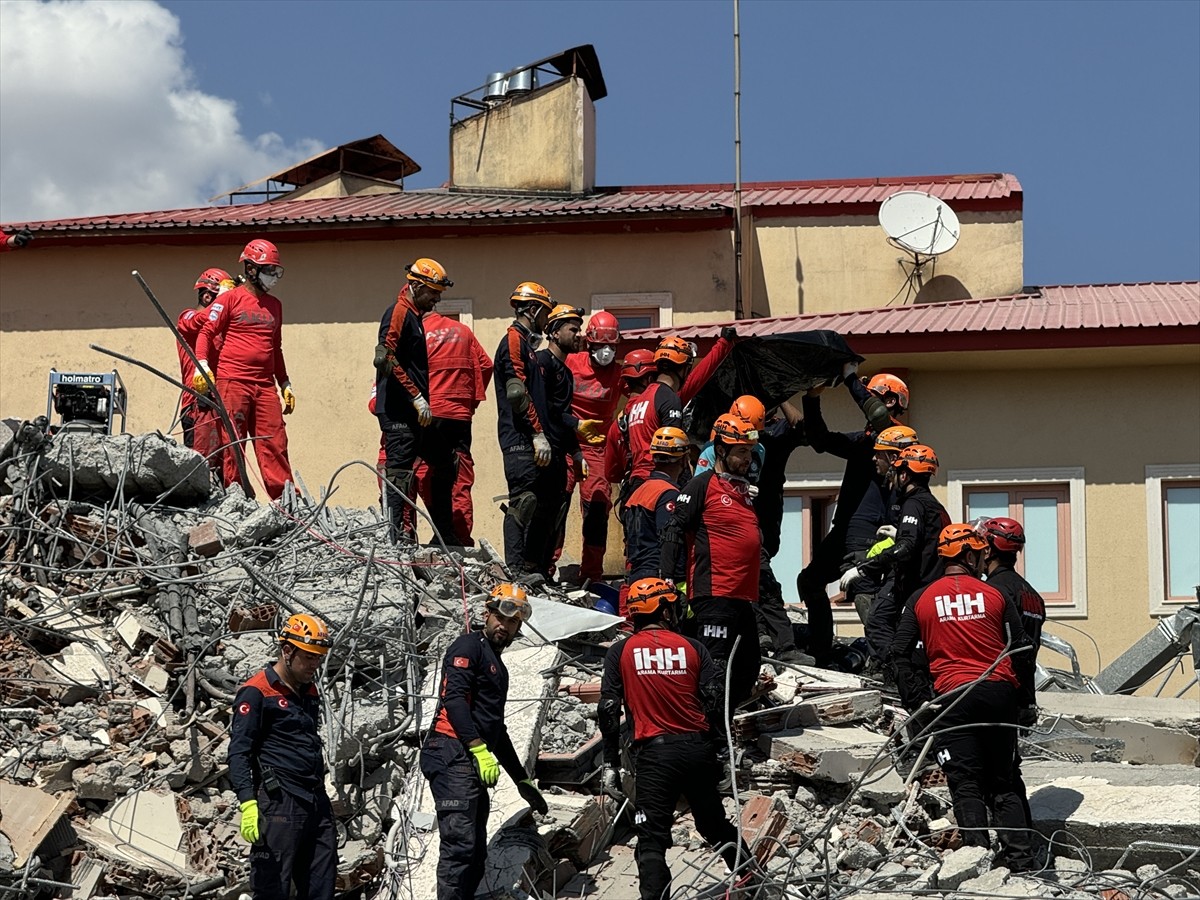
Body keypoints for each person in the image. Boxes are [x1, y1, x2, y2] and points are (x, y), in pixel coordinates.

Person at [891, 524, 1037, 870]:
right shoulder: (995, 595)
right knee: (1004, 779)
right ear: (970, 555)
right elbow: (1021, 651)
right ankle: (1023, 860)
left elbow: (899, 653)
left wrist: (918, 703)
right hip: (997, 692)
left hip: (952, 698)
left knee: (965, 780)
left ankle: (977, 860)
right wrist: (1023, 703)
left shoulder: (921, 598)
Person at [598, 578, 755, 900]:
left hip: (655, 757)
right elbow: (715, 704)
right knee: (713, 825)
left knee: (652, 838)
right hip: (698, 751)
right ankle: (755, 881)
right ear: (665, 609)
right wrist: (722, 753)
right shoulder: (694, 647)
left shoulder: (621, 651)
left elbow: (609, 710)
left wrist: (611, 763)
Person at [421, 585, 549, 900]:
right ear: (486, 614)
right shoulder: (468, 647)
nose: (505, 627)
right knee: (461, 846)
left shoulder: (496, 665)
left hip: (467, 757)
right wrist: (478, 749)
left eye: (514, 622)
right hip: (450, 751)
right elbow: (454, 701)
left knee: (476, 851)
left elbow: (495, 728)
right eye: (501, 618)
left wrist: (521, 778)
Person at [797, 371, 910, 665]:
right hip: (845, 529)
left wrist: (849, 379)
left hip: (868, 531)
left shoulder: (897, 440)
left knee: (863, 588)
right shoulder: (865, 441)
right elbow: (820, 440)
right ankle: (821, 651)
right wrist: (812, 397)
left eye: (872, 395)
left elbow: (878, 415)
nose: (866, 402)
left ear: (889, 401)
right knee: (809, 581)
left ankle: (887, 661)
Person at [229, 614, 337, 899]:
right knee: (272, 887)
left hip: (315, 799)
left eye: (319, 658)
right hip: (279, 802)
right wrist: (248, 804)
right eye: (309, 657)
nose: (315, 665)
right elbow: (239, 751)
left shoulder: (308, 691)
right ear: (287, 651)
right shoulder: (256, 693)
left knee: (321, 885)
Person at [660, 413, 762, 714]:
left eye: (749, 452)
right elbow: (674, 528)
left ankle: (722, 726)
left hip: (742, 598)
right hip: (714, 593)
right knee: (714, 672)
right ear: (721, 451)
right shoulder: (701, 485)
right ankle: (711, 741)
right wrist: (666, 577)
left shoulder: (742, 490)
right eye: (741, 452)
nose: (748, 458)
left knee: (747, 667)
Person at [698, 396, 810, 663]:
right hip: (723, 532)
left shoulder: (760, 449)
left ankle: (782, 645)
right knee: (740, 590)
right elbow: (699, 489)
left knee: (765, 584)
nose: (748, 450)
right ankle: (762, 639)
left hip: (752, 527)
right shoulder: (712, 451)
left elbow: (800, 429)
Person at [194, 239, 294, 499]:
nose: (273, 277)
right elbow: (206, 332)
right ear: (250, 269)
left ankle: (286, 502)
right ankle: (236, 498)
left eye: (275, 271)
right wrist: (202, 365)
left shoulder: (275, 306)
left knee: (275, 442)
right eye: (267, 270)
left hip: (264, 386)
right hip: (233, 381)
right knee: (233, 444)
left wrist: (284, 383)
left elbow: (276, 348)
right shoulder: (229, 299)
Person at [842, 443, 950, 666]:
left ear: (904, 475)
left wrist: (863, 568)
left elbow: (906, 547)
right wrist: (900, 531)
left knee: (878, 621)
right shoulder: (934, 505)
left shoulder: (914, 504)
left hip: (914, 584)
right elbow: (924, 539)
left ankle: (892, 673)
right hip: (932, 585)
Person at [375, 258, 454, 542]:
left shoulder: (414, 315)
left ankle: (444, 534)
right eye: (433, 293)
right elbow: (385, 357)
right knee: (399, 475)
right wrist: (416, 396)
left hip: (415, 413)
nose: (436, 300)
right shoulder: (398, 312)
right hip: (399, 412)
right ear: (416, 286)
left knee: (445, 461)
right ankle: (395, 539)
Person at [977, 516, 1045, 826]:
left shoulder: (993, 592)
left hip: (997, 689)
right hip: (1021, 694)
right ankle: (1019, 837)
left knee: (993, 776)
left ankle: (1010, 843)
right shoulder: (1032, 595)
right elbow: (1029, 653)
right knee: (1007, 770)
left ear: (990, 551)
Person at [623, 328, 737, 502]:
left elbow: (697, 379)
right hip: (660, 481)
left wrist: (723, 344)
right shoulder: (668, 398)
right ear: (684, 368)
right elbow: (672, 447)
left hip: (637, 483)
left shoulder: (641, 401)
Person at [493, 282, 560, 576]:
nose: (547, 320)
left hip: (528, 437)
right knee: (523, 501)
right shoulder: (513, 341)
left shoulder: (526, 345)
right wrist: (537, 432)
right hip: (519, 438)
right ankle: (515, 569)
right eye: (545, 313)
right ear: (533, 310)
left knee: (536, 504)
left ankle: (528, 567)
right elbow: (517, 393)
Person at [412, 309, 493, 546]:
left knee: (429, 474)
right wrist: (471, 402)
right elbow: (486, 366)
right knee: (461, 476)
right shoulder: (464, 331)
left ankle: (443, 533)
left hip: (430, 413)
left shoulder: (418, 332)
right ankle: (461, 537)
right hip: (460, 416)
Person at [536, 304, 603, 577]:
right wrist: (576, 424)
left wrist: (576, 452)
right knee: (544, 514)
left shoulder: (563, 371)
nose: (579, 335)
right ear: (554, 332)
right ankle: (537, 568)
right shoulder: (541, 364)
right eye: (573, 329)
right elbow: (546, 411)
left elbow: (559, 414)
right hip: (541, 452)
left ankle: (547, 571)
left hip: (559, 450)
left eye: (580, 329)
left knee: (559, 511)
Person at [561, 310, 624, 582]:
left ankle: (591, 574)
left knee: (597, 511)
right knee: (556, 507)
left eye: (611, 346)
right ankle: (545, 567)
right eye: (600, 346)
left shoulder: (620, 374)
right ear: (590, 343)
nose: (606, 352)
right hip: (567, 443)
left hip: (598, 450)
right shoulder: (571, 363)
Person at [843, 425, 919, 628]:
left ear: (894, 458)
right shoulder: (896, 488)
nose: (873, 459)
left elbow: (907, 543)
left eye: (879, 454)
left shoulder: (909, 495)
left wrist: (866, 561)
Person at [621, 426, 690, 617]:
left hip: (636, 576)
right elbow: (670, 540)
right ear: (684, 459)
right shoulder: (669, 494)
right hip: (658, 578)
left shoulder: (639, 491)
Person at [176, 267, 233, 470]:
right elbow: (200, 320)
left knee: (223, 467)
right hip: (196, 406)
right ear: (208, 295)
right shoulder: (187, 317)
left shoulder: (219, 332)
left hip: (219, 405)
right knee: (198, 467)